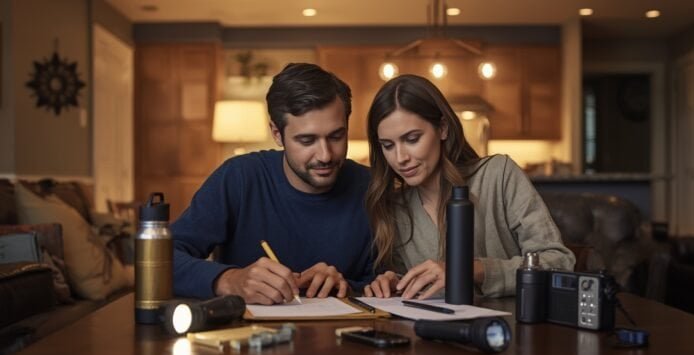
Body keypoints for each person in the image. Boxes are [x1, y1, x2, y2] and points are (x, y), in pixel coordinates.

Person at [172, 63, 374, 304]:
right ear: (277, 134)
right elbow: (161, 260)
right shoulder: (239, 177)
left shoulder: (372, 187)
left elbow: (388, 283)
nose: (325, 155)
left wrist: (345, 286)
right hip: (247, 337)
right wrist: (229, 280)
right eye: (307, 140)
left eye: (336, 136)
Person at [362, 74, 574, 299]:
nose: (400, 157)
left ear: (442, 128)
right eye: (387, 145)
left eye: (412, 139)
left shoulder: (498, 175)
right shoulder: (396, 207)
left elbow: (559, 263)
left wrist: (470, 270)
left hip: (509, 329)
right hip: (436, 332)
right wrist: (395, 282)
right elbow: (417, 289)